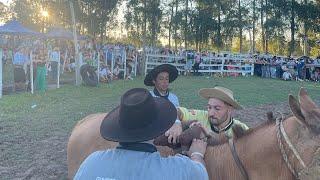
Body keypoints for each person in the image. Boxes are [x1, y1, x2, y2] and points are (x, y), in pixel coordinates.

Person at [74, 88, 209, 180]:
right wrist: (197, 154)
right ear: (157, 129)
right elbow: (201, 174)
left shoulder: (92, 162)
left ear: (120, 126)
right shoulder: (178, 168)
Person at [176, 86, 249, 141]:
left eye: (217, 108)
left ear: (230, 110)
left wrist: (210, 135)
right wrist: (176, 122)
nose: (211, 113)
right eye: (209, 107)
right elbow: (177, 111)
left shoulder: (241, 129)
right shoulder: (202, 116)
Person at [144, 64, 182, 144]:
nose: (165, 82)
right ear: (154, 81)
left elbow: (177, 115)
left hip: (174, 129)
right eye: (161, 79)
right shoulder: (149, 97)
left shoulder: (174, 98)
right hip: (156, 132)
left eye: (167, 79)